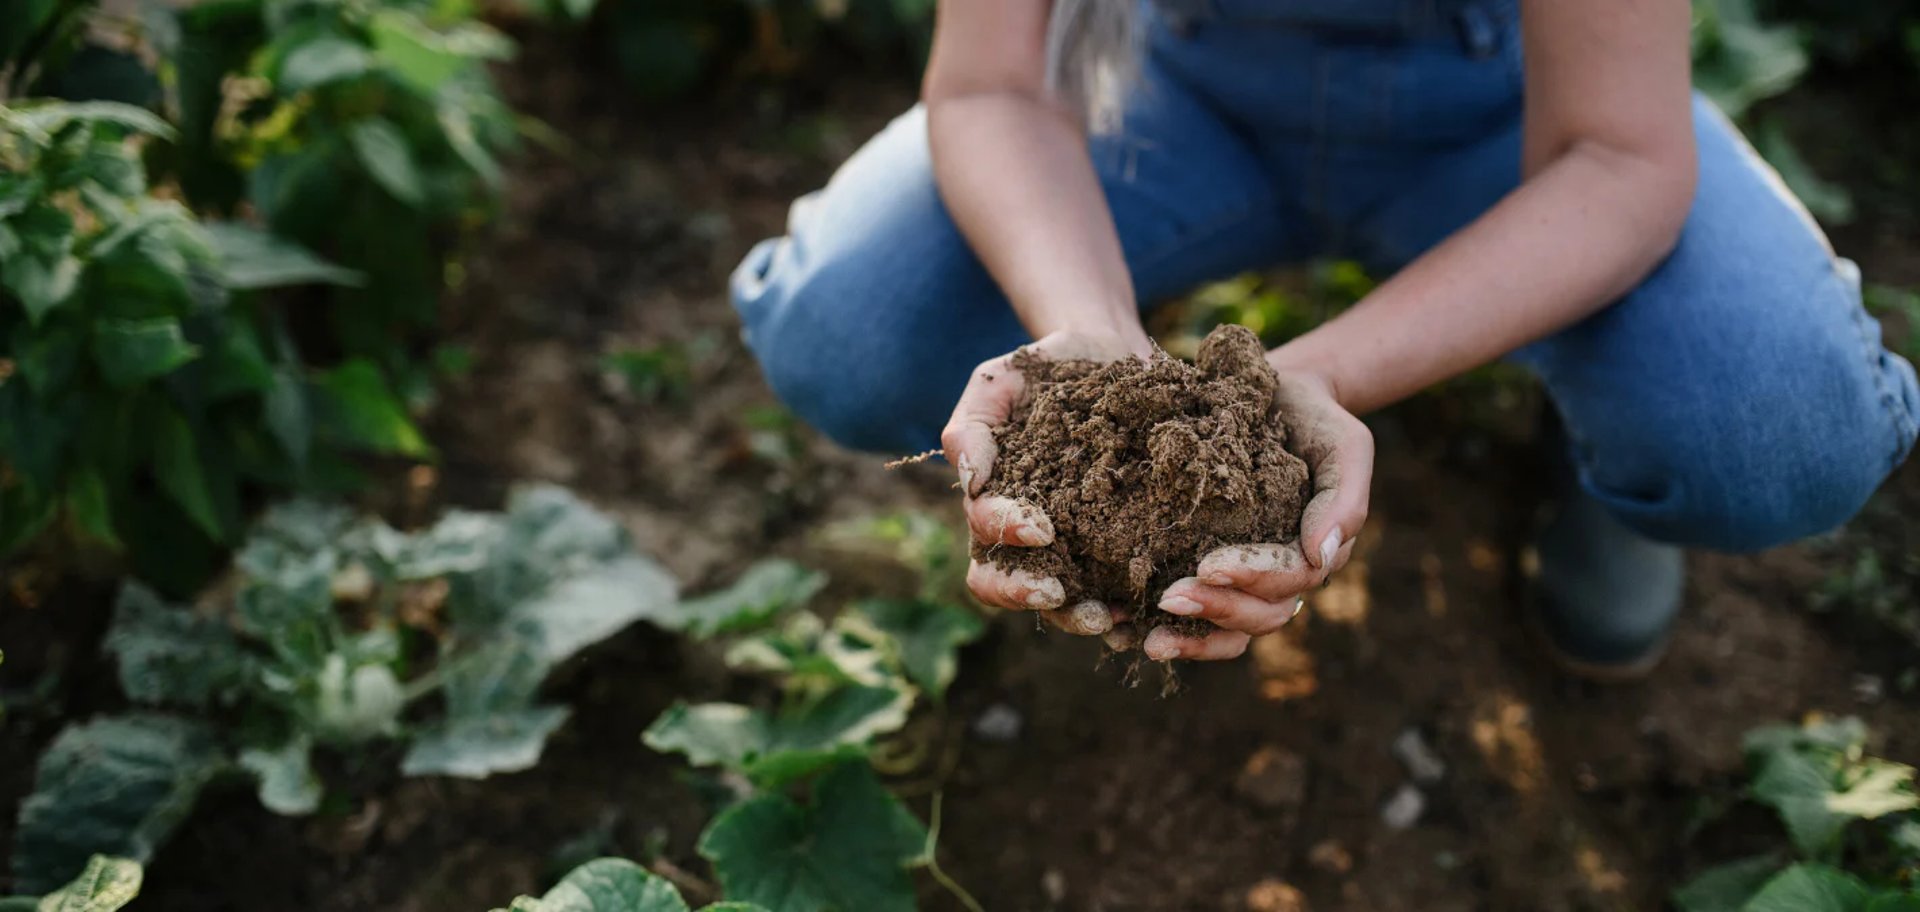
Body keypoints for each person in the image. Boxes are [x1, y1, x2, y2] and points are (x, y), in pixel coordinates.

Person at [729, 0, 1920, 678]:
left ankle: (1608, 458)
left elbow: (1617, 155)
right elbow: (992, 85)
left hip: (1518, 116)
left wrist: (1317, 375)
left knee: (1775, 428)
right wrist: (1086, 332)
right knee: (854, 334)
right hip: (1165, 86)